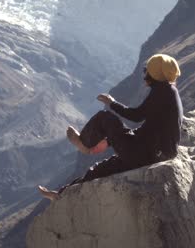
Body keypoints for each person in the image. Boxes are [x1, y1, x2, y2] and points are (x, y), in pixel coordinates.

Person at [38, 53, 184, 201]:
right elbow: (151, 128)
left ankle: (84, 143)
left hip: (148, 154)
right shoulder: (169, 92)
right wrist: (109, 141)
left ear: (155, 74)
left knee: (105, 117)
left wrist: (112, 103)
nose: (145, 74)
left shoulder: (163, 91)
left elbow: (137, 116)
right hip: (152, 153)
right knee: (102, 168)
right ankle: (60, 194)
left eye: (147, 70)